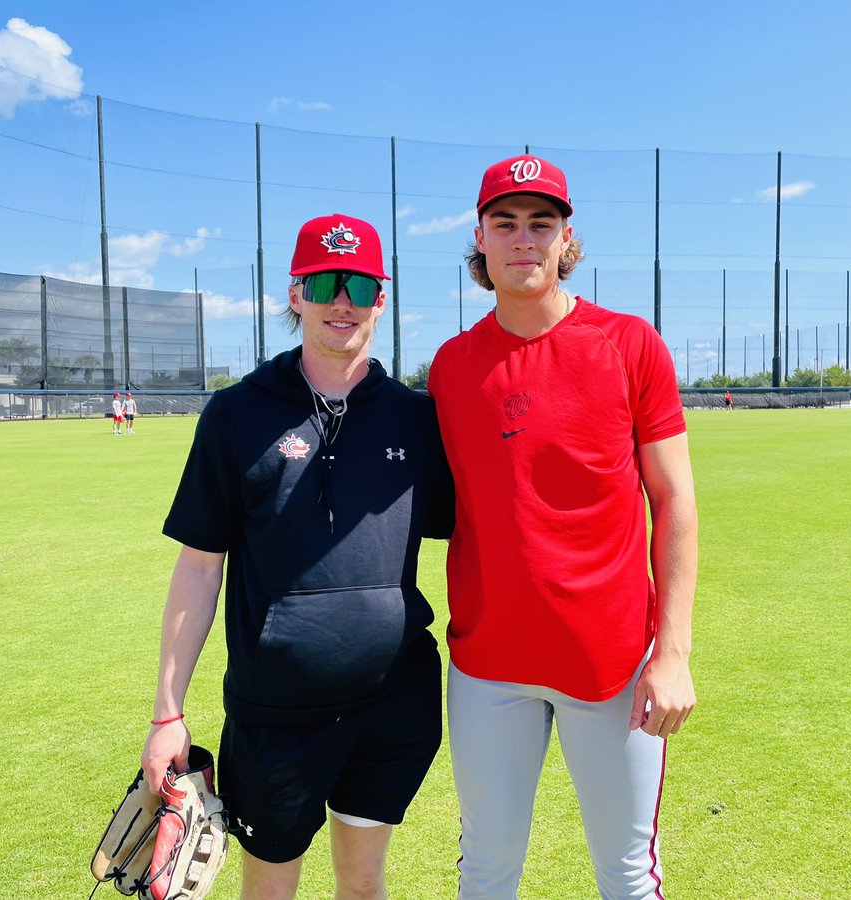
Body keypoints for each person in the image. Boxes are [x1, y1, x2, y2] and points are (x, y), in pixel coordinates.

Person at [141, 213, 453, 899]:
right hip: (275, 714)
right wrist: (168, 713)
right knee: (271, 890)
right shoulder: (237, 414)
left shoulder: (415, 417)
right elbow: (199, 565)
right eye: (324, 282)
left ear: (382, 298)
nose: (342, 300)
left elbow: (481, 532)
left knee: (364, 884)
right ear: (294, 294)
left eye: (359, 284)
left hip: (391, 704)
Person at [428, 154, 699, 899]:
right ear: (479, 238)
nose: (523, 239)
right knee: (486, 869)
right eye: (505, 223)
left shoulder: (630, 344)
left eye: (540, 224)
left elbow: (674, 502)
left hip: (611, 663)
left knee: (627, 876)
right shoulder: (451, 367)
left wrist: (670, 654)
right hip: (488, 664)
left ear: (566, 238)